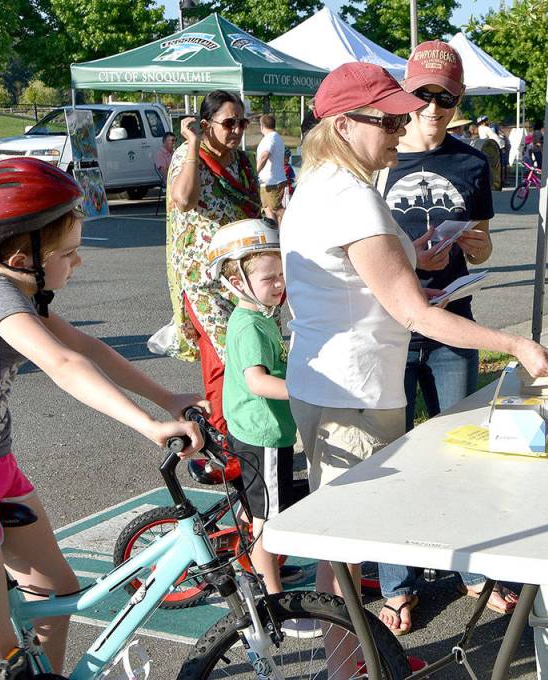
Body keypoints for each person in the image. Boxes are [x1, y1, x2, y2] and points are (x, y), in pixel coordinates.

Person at [280, 62, 548, 659]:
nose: (401, 125)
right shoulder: (353, 198)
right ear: (341, 123)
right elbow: (413, 315)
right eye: (387, 118)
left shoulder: (320, 185)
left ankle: (352, 660)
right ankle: (348, 666)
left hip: (332, 380)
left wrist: (418, 262)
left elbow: (364, 283)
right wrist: (516, 345)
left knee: (345, 538)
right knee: (347, 543)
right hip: (353, 390)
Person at [0, 159, 205, 678]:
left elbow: (88, 347)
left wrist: (166, 398)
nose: (79, 264)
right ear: (19, 256)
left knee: (56, 590)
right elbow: (62, 363)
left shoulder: (19, 289)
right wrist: (148, 425)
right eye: (68, 253)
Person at [376, 41, 516, 635]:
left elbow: (481, 238)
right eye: (425, 95)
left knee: (464, 448)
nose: (434, 109)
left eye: (447, 99)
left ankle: (472, 566)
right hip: (391, 326)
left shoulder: (471, 162)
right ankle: (397, 582)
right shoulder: (378, 159)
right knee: (392, 456)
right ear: (408, 95)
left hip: (454, 320)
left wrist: (479, 245)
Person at [210, 219, 316, 637]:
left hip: (257, 431)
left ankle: (263, 573)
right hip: (264, 434)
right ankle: (276, 605)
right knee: (267, 521)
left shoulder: (253, 316)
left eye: (281, 276)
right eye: (269, 277)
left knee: (262, 512)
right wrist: (303, 388)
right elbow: (257, 380)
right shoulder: (253, 324)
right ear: (236, 280)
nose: (279, 285)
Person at [166, 89, 260, 434]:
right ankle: (224, 443)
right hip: (203, 280)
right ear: (206, 125)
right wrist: (192, 144)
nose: (237, 130)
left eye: (242, 122)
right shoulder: (187, 155)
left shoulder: (241, 160)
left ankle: (245, 430)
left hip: (241, 275)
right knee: (222, 360)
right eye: (229, 123)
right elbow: (184, 199)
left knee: (247, 353)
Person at [256, 114, 287, 225]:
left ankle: (294, 223)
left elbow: (265, 155)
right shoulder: (276, 137)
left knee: (276, 209)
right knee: (268, 209)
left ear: (262, 126)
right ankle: (276, 236)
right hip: (272, 180)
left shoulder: (270, 138)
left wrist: (256, 172)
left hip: (272, 181)